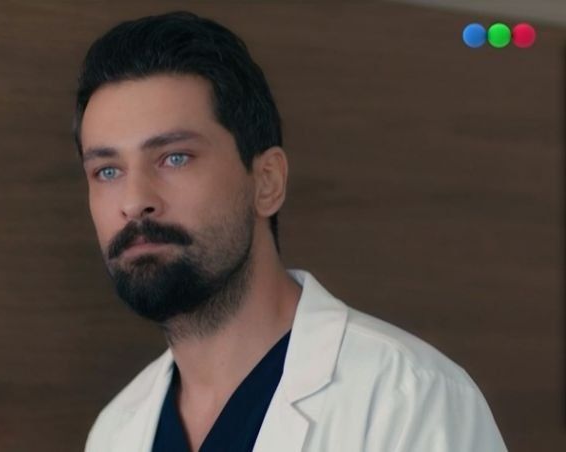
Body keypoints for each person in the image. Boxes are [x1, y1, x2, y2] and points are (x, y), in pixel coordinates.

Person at [73, 11, 507, 452]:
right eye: (107, 170)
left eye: (175, 158)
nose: (134, 201)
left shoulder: (411, 401)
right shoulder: (115, 433)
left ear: (267, 183)